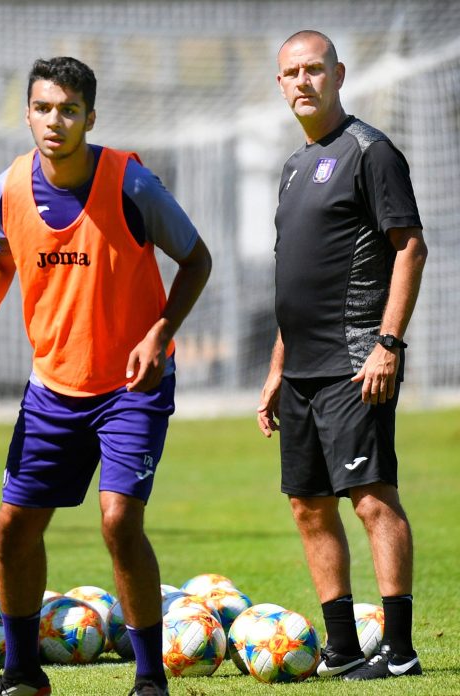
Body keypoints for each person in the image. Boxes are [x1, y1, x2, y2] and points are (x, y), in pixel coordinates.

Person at [0, 57, 212, 696]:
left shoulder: (130, 182)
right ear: (28, 113)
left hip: (131, 386)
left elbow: (197, 259)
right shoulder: (7, 187)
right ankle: (21, 673)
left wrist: (160, 334)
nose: (53, 121)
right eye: (42, 108)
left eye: (68, 110)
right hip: (52, 389)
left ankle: (150, 680)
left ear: (91, 117)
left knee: (119, 520)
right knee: (14, 526)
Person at [257, 30, 427, 681]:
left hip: (356, 359)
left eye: (315, 69)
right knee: (308, 504)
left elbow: (410, 248)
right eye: (291, 73)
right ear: (280, 84)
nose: (303, 81)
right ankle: (343, 649)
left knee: (371, 498)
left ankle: (402, 649)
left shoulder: (370, 152)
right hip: (298, 369)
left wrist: (388, 344)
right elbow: (295, 282)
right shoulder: (295, 166)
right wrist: (275, 371)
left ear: (339, 73)